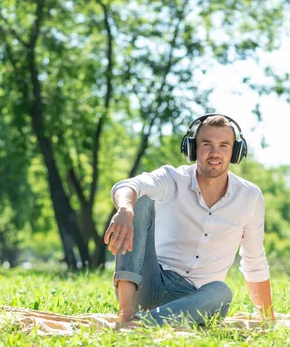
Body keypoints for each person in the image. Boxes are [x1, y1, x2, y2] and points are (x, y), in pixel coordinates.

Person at [103, 113, 274, 327]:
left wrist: (268, 317)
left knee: (221, 291)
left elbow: (254, 260)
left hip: (197, 300)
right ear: (192, 148)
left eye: (223, 145)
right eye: (207, 144)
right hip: (150, 283)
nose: (215, 153)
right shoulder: (173, 179)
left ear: (235, 152)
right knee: (139, 199)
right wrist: (125, 209)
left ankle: (143, 325)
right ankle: (126, 314)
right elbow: (127, 186)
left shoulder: (250, 197)